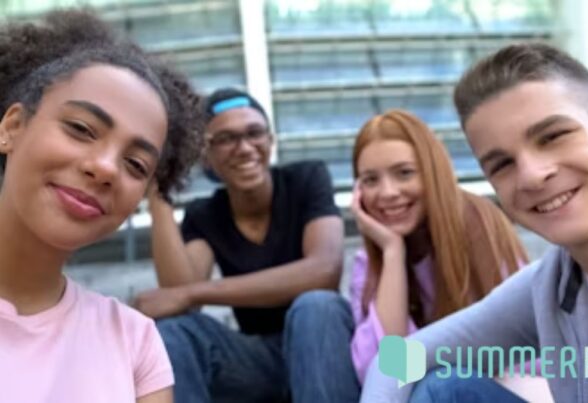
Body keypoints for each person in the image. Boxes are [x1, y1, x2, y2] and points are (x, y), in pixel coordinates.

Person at [359, 43, 588, 403]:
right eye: (502, 164)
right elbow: (397, 360)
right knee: (441, 389)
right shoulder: (552, 283)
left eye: (553, 136)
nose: (532, 176)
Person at [0, 9, 202, 403]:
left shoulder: (135, 344)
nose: (106, 168)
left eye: (136, 165)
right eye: (81, 129)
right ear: (11, 127)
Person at [134, 88, 361, 402]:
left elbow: (324, 271)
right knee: (174, 332)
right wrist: (159, 191)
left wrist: (189, 293)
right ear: (206, 156)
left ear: (271, 140)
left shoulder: (306, 179)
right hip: (257, 363)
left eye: (254, 133)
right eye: (225, 139)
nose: (244, 148)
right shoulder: (205, 214)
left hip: (323, 350)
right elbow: (178, 298)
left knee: (317, 306)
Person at [349, 109, 528, 384]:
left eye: (404, 173)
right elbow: (383, 375)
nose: (388, 192)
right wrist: (393, 252)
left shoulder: (478, 225)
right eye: (371, 180)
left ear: (432, 172)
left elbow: (521, 353)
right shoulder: (371, 259)